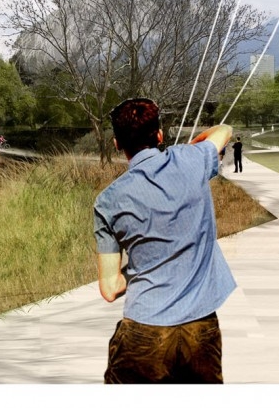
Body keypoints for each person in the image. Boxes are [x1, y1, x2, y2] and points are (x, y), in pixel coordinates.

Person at [93, 98, 235, 383]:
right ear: (159, 135)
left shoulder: (107, 202)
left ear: (117, 144)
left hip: (145, 333)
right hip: (201, 329)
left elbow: (110, 288)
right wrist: (192, 148)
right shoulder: (192, 160)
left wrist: (143, 268)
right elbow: (224, 130)